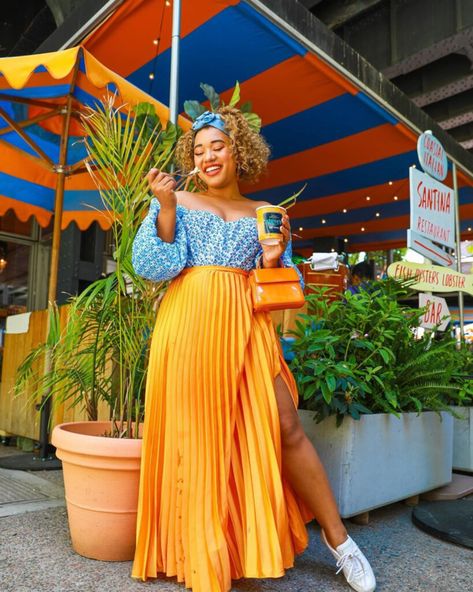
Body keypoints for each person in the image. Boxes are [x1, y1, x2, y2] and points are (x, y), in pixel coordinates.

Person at [131, 107, 376, 592]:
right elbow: (152, 266)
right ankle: (213, 553)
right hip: (189, 326)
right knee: (200, 438)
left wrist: (269, 259)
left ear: (238, 150)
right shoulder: (175, 199)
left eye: (217, 146)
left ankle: (341, 543)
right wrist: (164, 208)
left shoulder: (269, 213)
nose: (208, 156)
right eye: (198, 150)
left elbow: (290, 287)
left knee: (286, 426)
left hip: (249, 327)